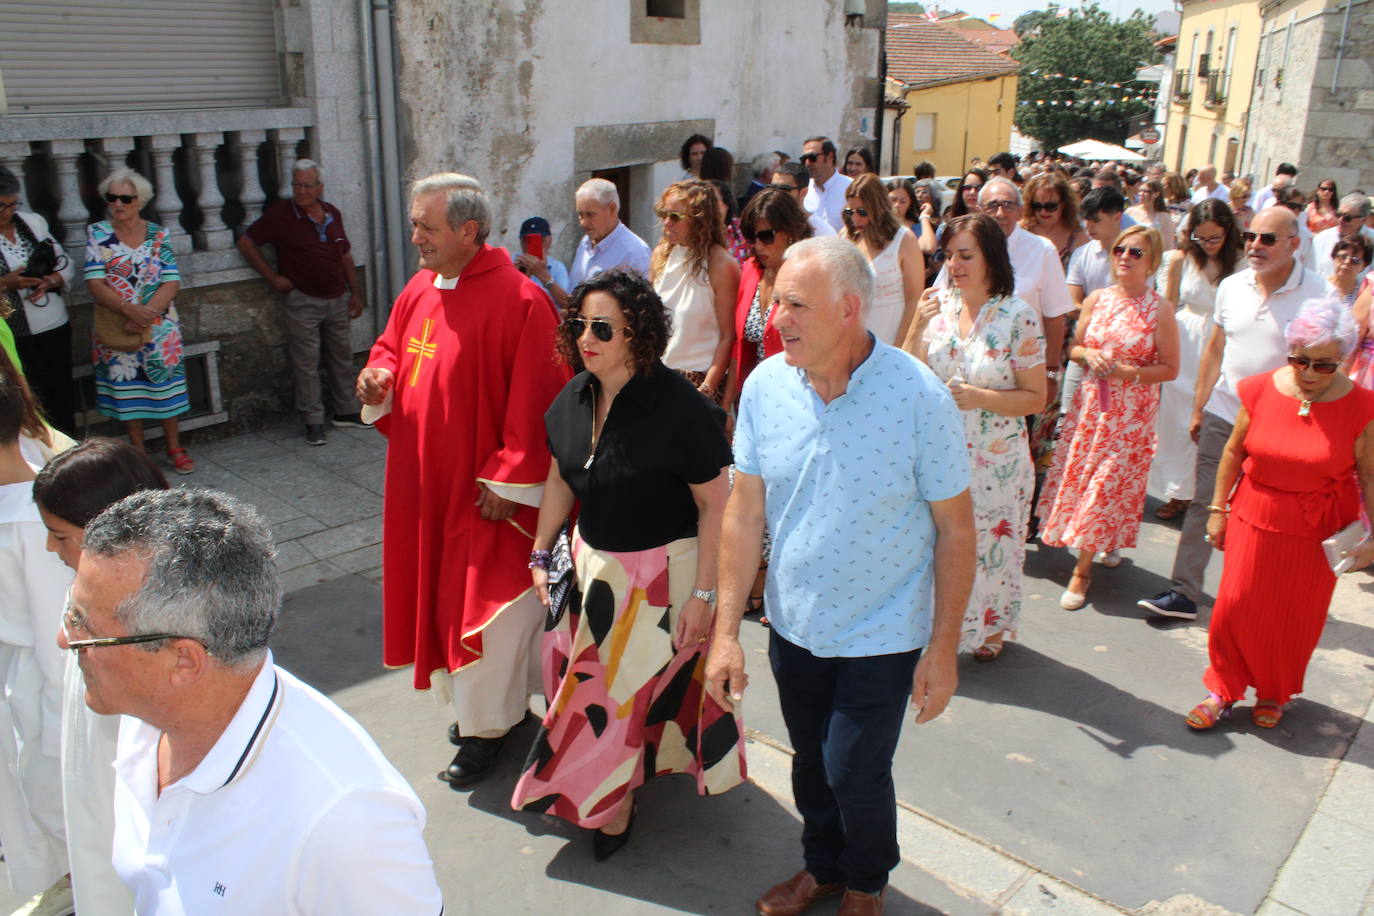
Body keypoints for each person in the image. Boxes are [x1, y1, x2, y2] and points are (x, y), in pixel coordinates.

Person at [706, 236, 974, 916]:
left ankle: (866, 882)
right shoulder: (767, 387)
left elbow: (955, 529)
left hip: (884, 630)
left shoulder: (919, 397)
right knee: (808, 761)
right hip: (793, 622)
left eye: (795, 304)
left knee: (853, 769)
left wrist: (942, 649)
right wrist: (725, 631)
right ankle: (822, 868)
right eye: (774, 301)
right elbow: (743, 510)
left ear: (850, 309)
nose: (777, 318)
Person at [62, 489, 444, 913]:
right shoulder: (144, 716)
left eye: (84, 624)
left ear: (183, 661)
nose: (66, 640)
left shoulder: (347, 820)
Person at [512, 269, 744, 859]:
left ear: (638, 333)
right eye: (581, 325)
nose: (588, 338)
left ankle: (609, 806)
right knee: (590, 690)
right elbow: (562, 479)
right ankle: (608, 784)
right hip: (591, 570)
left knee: (613, 702)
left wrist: (704, 597)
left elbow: (716, 505)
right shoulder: (576, 393)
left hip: (659, 576)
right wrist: (541, 551)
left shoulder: (681, 409)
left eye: (603, 329)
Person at [355, 173, 569, 787]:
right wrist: (376, 376)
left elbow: (541, 399)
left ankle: (489, 731)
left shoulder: (521, 301)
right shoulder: (420, 289)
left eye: (426, 225)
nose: (415, 235)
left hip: (483, 494)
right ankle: (481, 714)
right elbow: (391, 350)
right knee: (442, 602)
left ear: (468, 230)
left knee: (487, 612)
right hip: (424, 485)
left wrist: (511, 478)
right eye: (416, 223)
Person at [1185, 298, 1374, 730]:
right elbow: (1232, 452)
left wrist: (1372, 537)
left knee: (1294, 615)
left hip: (1318, 529)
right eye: (1300, 360)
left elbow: (1370, 475)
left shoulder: (1362, 405)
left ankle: (1274, 691)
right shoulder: (1261, 387)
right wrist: (1218, 510)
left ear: (1342, 358)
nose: (1308, 373)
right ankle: (1223, 689)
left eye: (1323, 365)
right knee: (1235, 606)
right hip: (1256, 512)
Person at [1138, 206, 1329, 619]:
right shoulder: (1232, 286)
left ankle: (1254, 597)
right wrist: (1199, 407)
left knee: (1267, 516)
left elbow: (1328, 366)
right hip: (1224, 412)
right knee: (1206, 503)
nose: (1255, 246)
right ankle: (1184, 592)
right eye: (1251, 237)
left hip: (1283, 422)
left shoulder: (1318, 294)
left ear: (1295, 244)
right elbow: (1215, 351)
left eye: (1268, 239)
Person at [32, 438, 167, 916]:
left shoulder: (157, 620)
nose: (50, 546)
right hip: (94, 791)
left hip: (132, 815)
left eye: (61, 535)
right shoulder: (90, 584)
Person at [904, 214, 1045, 661]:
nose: (955, 265)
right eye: (949, 256)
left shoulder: (1018, 316)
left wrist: (980, 396)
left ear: (991, 259)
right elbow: (906, 374)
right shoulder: (937, 306)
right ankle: (935, 634)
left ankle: (987, 627)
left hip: (995, 460)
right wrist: (916, 324)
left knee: (990, 548)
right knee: (934, 546)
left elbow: (1036, 398)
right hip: (939, 453)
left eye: (966, 255)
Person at [1038, 226, 1180, 609]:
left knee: (1107, 482)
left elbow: (1170, 368)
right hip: (1092, 408)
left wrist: (1126, 373)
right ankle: (1106, 538)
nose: (1125, 257)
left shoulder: (1160, 309)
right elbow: (1074, 348)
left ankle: (1082, 571)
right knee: (1090, 479)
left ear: (1151, 263)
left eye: (1136, 252)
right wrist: (1090, 356)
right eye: (1120, 249)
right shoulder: (1097, 299)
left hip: (1131, 415)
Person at [0, 360, 73, 913]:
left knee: (55, 813)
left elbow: (57, 643)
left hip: (44, 697)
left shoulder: (31, 521)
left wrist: (57, 743)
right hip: (23, 689)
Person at [238, 159, 368, 447]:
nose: (302, 190)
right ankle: (313, 421)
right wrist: (272, 277)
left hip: (336, 297)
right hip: (303, 300)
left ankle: (346, 410)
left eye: (308, 185)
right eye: (297, 184)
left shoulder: (332, 213)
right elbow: (247, 242)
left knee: (341, 356)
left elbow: (345, 255)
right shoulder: (281, 214)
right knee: (306, 363)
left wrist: (355, 292)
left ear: (319, 187)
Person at [84, 168, 194, 475]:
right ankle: (139, 453)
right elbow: (94, 282)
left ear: (140, 201)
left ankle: (175, 448)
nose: (118, 204)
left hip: (158, 327)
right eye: (112, 198)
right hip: (117, 321)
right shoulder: (98, 234)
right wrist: (129, 311)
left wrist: (147, 315)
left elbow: (171, 281)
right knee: (127, 388)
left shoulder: (159, 234)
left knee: (165, 385)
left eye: (126, 198)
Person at [1150, 200, 1244, 521]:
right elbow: (1168, 303)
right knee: (1177, 422)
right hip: (1185, 342)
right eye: (1200, 239)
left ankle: (1204, 494)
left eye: (1214, 238)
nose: (1207, 245)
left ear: (1228, 232)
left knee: (1209, 417)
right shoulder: (1180, 260)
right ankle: (1178, 492)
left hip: (1221, 342)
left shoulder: (1242, 263)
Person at [723, 189, 812, 414]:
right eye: (753, 238)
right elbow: (738, 345)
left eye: (766, 236)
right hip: (751, 398)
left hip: (797, 398)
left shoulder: (809, 275)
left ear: (790, 231)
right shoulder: (750, 271)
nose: (759, 246)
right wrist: (726, 405)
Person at [0, 166, 75, 434]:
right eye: (1, 206)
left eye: (12, 205)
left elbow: (65, 264)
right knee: (28, 395)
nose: (8, 212)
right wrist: (6, 283)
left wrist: (49, 280)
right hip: (14, 331)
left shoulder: (31, 222)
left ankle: (69, 444)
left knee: (61, 391)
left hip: (52, 322)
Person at [651, 180, 740, 400]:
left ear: (698, 220)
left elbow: (728, 336)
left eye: (675, 217)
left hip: (700, 382)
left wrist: (708, 388)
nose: (666, 222)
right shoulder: (660, 255)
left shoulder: (722, 265)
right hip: (659, 377)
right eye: (664, 214)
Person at [841, 174, 923, 346]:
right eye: (850, 212)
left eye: (862, 212)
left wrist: (901, 346)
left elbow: (914, 300)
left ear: (879, 207)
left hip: (889, 342)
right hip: (849, 345)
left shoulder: (904, 240)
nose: (855, 219)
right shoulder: (846, 236)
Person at [567, 178, 653, 289]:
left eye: (590, 214)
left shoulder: (635, 253)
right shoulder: (585, 243)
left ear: (612, 210)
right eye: (580, 215)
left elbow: (646, 303)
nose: (583, 223)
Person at [1020, 171, 1087, 268]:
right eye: (1037, 206)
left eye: (1050, 206)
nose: (1043, 212)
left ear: (1064, 204)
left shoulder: (1078, 237)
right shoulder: (1022, 231)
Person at [1309, 193, 1374, 279]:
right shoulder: (1322, 238)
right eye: (1338, 215)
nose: (1340, 220)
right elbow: (1309, 270)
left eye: (1347, 218)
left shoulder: (1372, 239)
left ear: (1363, 220)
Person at [512, 215, 571, 308]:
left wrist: (543, 275)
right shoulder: (512, 263)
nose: (531, 246)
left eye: (540, 240)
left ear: (549, 241)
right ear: (521, 242)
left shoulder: (557, 267)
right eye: (527, 241)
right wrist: (521, 275)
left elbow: (567, 304)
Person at [801, 136, 852, 233]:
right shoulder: (803, 190)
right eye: (804, 159)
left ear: (830, 157)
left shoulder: (850, 187)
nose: (807, 163)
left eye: (812, 158)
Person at [772, 162, 837, 238]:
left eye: (784, 189)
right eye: (772, 188)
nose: (776, 194)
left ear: (803, 192)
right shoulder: (763, 222)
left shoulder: (821, 233)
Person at [1126, 178, 1177, 252]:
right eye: (1140, 191)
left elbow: (1167, 245)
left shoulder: (1163, 216)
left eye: (1146, 191)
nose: (1141, 194)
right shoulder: (1130, 212)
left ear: (1156, 194)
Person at [709, 179, 752, 264]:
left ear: (726, 204)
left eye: (713, 200)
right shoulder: (696, 234)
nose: (708, 205)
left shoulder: (743, 228)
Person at [1326, 235, 1372, 306]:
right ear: (1334, 257)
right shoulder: (1319, 285)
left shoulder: (1364, 296)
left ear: (1364, 266)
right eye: (1343, 257)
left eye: (1355, 260)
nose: (1347, 262)